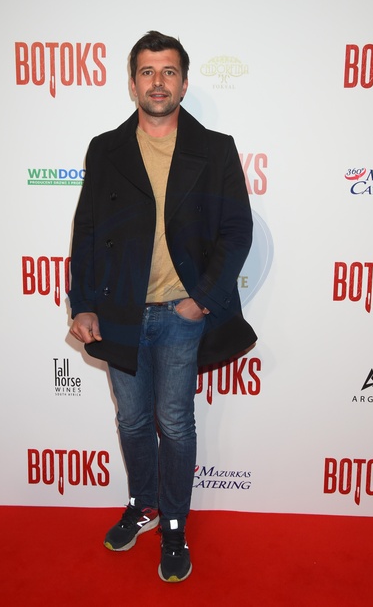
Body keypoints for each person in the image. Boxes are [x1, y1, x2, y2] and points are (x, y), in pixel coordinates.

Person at [69, 30, 257, 583]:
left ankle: (174, 524)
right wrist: (82, 303)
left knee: (174, 422)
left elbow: (237, 230)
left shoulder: (215, 148)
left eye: (168, 71)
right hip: (119, 311)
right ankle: (143, 503)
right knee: (131, 420)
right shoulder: (105, 149)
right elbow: (87, 231)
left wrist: (203, 300)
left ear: (185, 82)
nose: (158, 82)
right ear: (132, 83)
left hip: (181, 313)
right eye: (147, 72)